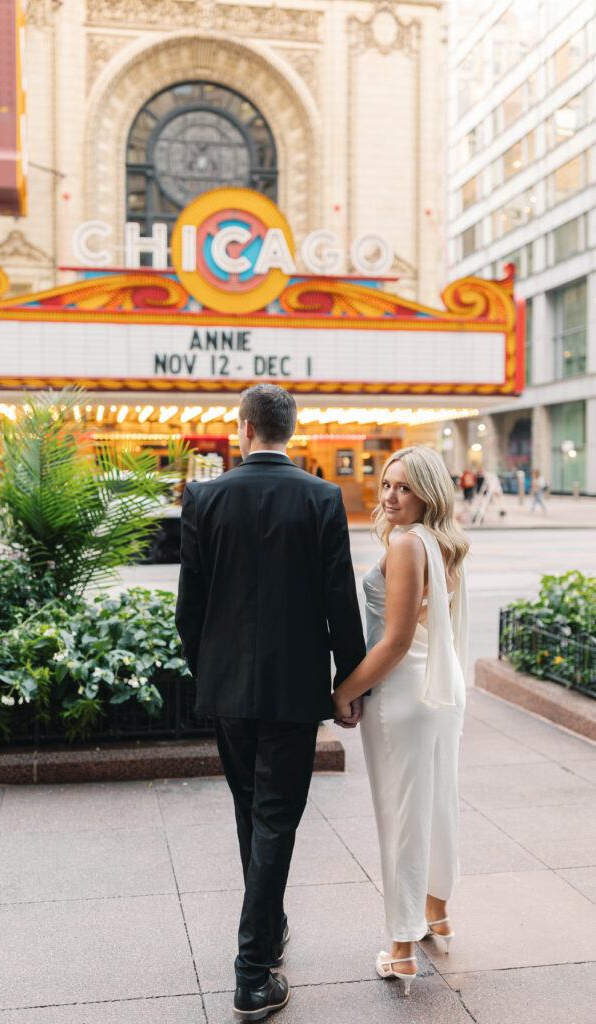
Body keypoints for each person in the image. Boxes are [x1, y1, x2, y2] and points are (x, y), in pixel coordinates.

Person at [176, 382, 365, 1021]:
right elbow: (339, 601)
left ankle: (270, 927)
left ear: (244, 429)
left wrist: (212, 671)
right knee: (275, 817)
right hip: (293, 689)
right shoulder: (322, 497)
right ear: (291, 430)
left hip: (227, 687)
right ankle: (253, 972)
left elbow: (189, 610)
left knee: (252, 810)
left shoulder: (203, 496)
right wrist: (349, 684)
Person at [333, 445, 469, 997]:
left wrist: (343, 692)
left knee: (402, 817)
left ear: (428, 493)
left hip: (406, 695)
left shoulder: (409, 544)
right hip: (441, 687)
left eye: (404, 488)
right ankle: (436, 912)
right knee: (436, 804)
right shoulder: (444, 541)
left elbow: (393, 642)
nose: (390, 496)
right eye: (387, 484)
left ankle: (402, 948)